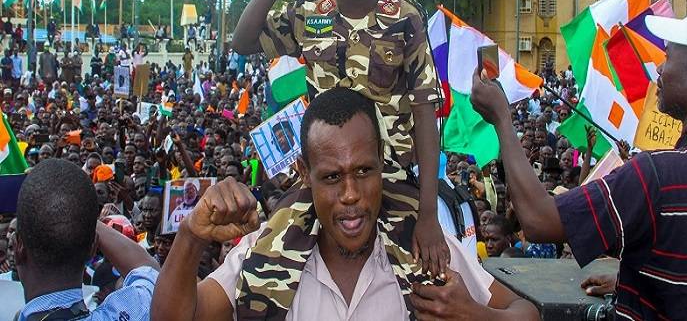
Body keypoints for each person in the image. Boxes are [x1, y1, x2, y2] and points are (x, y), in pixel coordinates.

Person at [230, 0, 448, 314]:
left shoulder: (406, 19)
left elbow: (427, 115)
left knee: (432, 291)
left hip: (390, 183)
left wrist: (428, 213)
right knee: (259, 282)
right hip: (322, 183)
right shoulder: (308, 12)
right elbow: (243, 40)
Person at [151, 88, 537, 320]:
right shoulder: (264, 253)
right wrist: (190, 236)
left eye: (365, 171)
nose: (351, 195)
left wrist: (476, 315)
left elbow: (527, 313)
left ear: (383, 161)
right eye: (332, 177)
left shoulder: (423, 252)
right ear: (304, 173)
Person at [470, 9, 687, 319]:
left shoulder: (657, 176)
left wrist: (501, 119)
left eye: (669, 56)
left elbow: (539, 220)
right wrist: (632, 278)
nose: (659, 67)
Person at [13, 158, 160, 320]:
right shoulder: (131, 312)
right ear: (93, 247)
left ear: (17, 247)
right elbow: (151, 274)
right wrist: (80, 217)